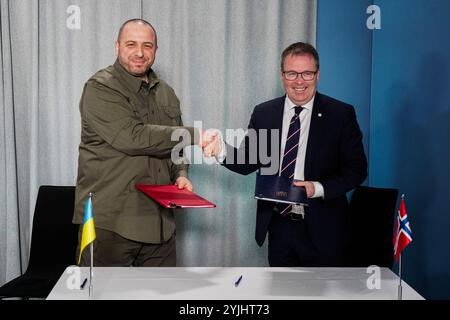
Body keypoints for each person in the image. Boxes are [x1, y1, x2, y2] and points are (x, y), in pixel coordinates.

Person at [207, 42, 367, 267]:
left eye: (307, 73)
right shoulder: (264, 113)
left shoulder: (340, 114)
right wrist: (220, 149)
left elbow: (356, 171)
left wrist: (317, 188)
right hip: (279, 225)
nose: (299, 81)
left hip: (324, 228)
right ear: (282, 75)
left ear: (317, 75)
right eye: (292, 73)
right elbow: (248, 161)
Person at [73, 19, 213, 267]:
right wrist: (196, 135)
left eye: (147, 45)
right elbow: (133, 137)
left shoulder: (166, 92)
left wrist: (180, 173)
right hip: (111, 224)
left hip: (160, 225)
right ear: (117, 46)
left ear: (156, 50)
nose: (139, 52)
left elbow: (175, 148)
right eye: (131, 44)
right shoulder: (100, 88)